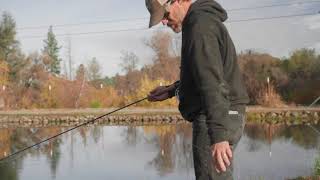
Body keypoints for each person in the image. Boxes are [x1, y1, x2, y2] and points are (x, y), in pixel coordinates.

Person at [145, 0, 250, 179]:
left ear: (179, 1)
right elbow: (204, 74)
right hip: (222, 114)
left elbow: (212, 82)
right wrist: (172, 90)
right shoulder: (200, 22)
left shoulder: (199, 26)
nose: (163, 21)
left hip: (214, 117)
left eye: (165, 13)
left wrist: (218, 134)